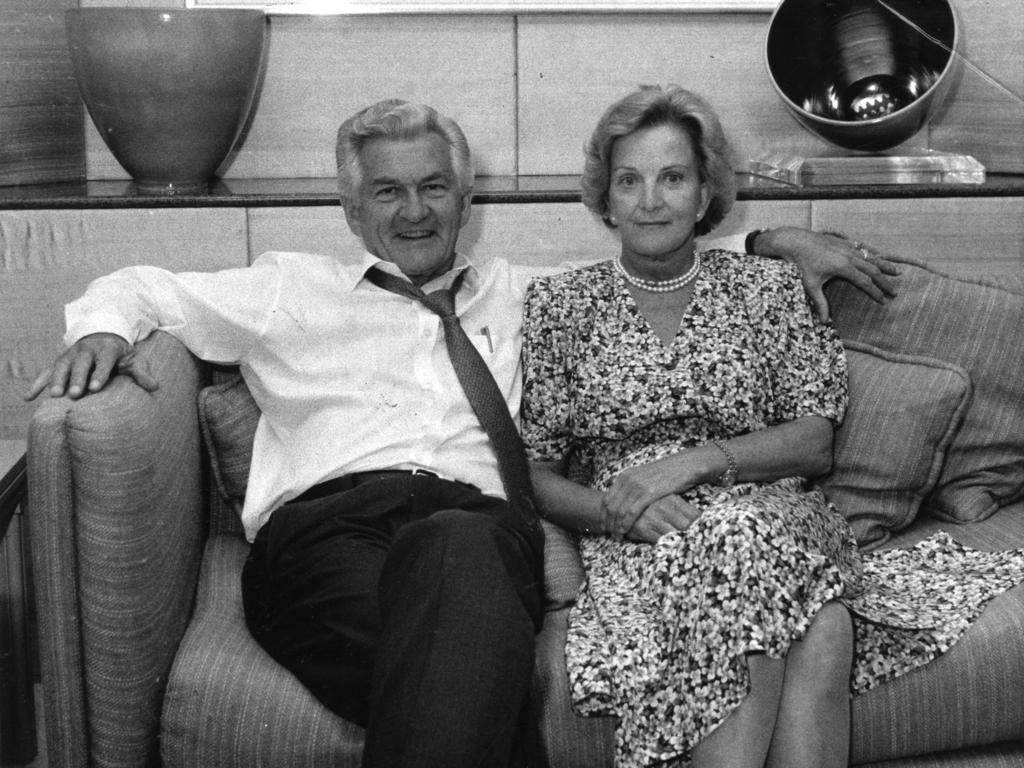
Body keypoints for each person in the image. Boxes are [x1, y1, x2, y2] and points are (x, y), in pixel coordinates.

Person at [25, 97, 895, 767]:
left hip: (477, 536)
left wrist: (776, 237)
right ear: (350, 205)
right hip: (326, 538)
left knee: (459, 572)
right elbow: (138, 286)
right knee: (468, 663)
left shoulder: (528, 295)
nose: (414, 211)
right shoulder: (287, 288)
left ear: (464, 196)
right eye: (387, 191)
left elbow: (657, 248)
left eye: (433, 186)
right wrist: (100, 329)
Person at [520, 84, 1024, 768]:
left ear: (704, 195)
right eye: (628, 181)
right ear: (605, 199)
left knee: (741, 532)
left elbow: (813, 441)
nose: (649, 200)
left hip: (773, 512)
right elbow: (537, 472)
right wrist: (617, 514)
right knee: (824, 623)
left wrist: (694, 463)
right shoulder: (560, 304)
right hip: (646, 542)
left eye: (672, 177)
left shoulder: (770, 287)